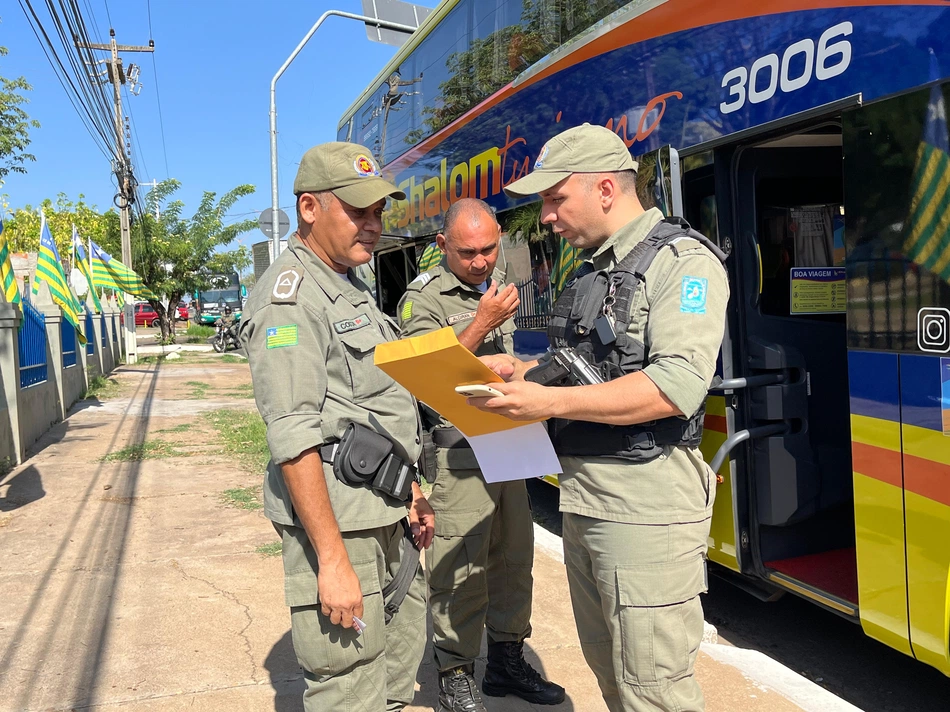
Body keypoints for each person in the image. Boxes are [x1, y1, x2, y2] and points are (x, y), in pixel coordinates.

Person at [470, 124, 729, 712]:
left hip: (644, 506)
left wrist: (549, 403)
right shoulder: (592, 272)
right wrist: (526, 371)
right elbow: (589, 365)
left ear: (606, 189)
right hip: (586, 499)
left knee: (655, 691)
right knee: (613, 677)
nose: (546, 217)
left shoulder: (683, 263)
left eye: (554, 198)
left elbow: (676, 386)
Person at [238, 142, 436, 712]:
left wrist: (412, 493)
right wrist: (331, 560)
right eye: (358, 211)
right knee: (348, 689)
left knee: (392, 679)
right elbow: (295, 436)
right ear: (309, 209)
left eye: (379, 212)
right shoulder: (290, 301)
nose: (373, 225)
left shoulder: (349, 285)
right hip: (340, 530)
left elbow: (376, 403)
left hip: (386, 515)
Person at [397, 199, 565, 712]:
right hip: (458, 455)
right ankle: (455, 672)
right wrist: (481, 321)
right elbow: (422, 381)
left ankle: (507, 662)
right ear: (442, 246)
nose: (481, 260)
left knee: (514, 559)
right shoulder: (421, 300)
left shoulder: (497, 285)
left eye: (490, 248)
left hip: (509, 442)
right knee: (460, 566)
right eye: (468, 252)